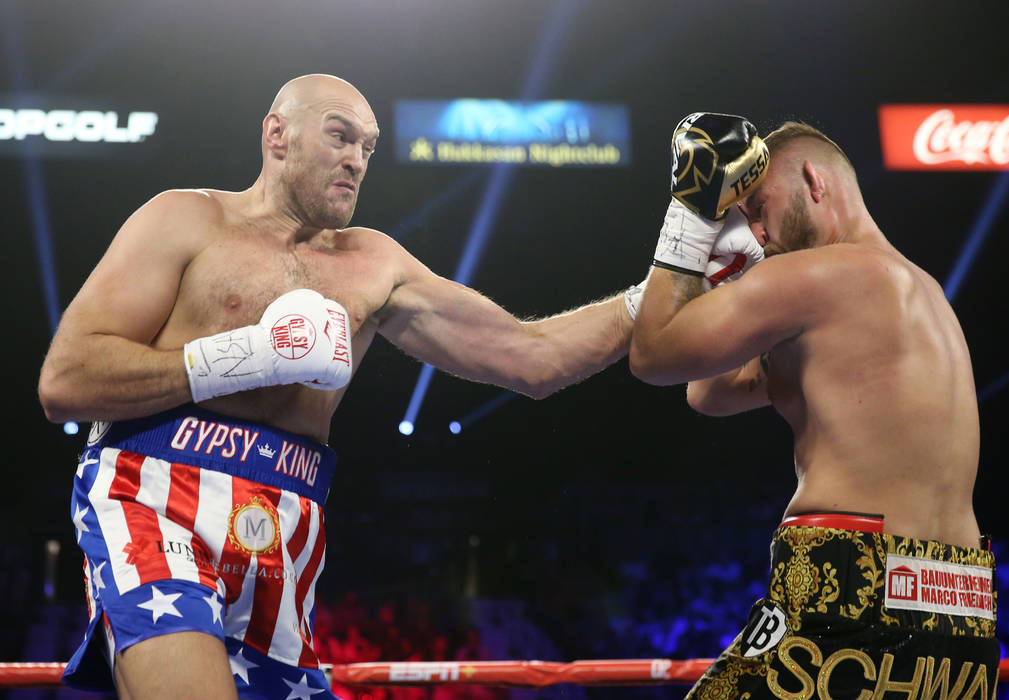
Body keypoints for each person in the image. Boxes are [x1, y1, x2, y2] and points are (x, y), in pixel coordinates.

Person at [37, 74, 636, 699]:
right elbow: (67, 380)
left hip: (287, 521)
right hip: (154, 492)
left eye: (368, 148)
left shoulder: (374, 264)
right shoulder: (186, 220)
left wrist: (672, 277)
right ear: (277, 134)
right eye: (340, 136)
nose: (357, 159)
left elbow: (533, 359)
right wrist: (245, 357)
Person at [630, 116, 998, 698]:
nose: (753, 229)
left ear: (813, 180)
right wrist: (739, 277)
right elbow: (708, 392)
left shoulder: (814, 275)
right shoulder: (928, 295)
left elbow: (654, 355)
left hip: (848, 584)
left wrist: (694, 213)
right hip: (964, 610)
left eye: (759, 206)